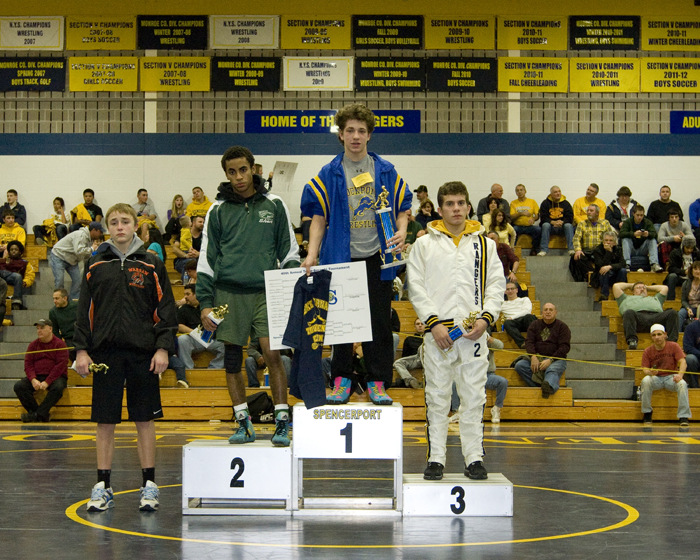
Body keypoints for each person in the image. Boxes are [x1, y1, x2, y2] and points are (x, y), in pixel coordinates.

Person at [301, 103, 411, 406]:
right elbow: (318, 218)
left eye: (361, 131)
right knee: (341, 323)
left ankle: (377, 382)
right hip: (341, 257)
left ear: (369, 135)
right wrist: (311, 254)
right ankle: (342, 380)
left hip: (378, 257)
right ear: (341, 134)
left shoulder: (385, 170)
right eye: (350, 130)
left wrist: (402, 230)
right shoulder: (329, 173)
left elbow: (403, 208)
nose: (355, 136)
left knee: (379, 322)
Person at [74, 203, 177, 513]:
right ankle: (102, 486)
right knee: (105, 421)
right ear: (107, 227)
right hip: (105, 354)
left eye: (125, 221)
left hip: (143, 353)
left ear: (135, 225)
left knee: (144, 419)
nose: (120, 226)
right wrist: (81, 350)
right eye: (114, 222)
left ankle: (149, 485)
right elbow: (84, 311)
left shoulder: (151, 264)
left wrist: (162, 347)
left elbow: (165, 309)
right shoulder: (95, 264)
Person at [198, 145, 299, 446]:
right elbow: (206, 260)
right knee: (232, 360)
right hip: (228, 294)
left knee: (272, 354)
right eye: (232, 172)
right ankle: (243, 423)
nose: (239, 177)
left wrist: (288, 286)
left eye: (243, 170)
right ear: (226, 174)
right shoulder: (216, 210)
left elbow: (290, 252)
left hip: (266, 291)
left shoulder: (275, 205)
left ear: (253, 169)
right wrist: (205, 304)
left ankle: (281, 422)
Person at [408, 180, 505, 482]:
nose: (456, 209)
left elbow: (496, 285)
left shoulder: (485, 245)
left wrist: (486, 319)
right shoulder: (424, 245)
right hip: (437, 335)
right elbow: (415, 286)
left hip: (473, 334)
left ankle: (474, 457)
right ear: (439, 209)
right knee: (437, 398)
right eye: (449, 204)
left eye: (461, 203)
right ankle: (436, 458)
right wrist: (433, 323)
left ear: (468, 206)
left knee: (473, 398)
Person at [13, 319, 68, 422]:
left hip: (56, 377)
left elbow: (60, 366)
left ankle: (36, 415)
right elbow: (28, 365)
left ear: (50, 329)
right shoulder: (33, 345)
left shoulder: (60, 344)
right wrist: (33, 379)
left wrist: (47, 381)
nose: (39, 331)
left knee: (58, 387)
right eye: (37, 328)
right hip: (37, 376)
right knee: (19, 386)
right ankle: (41, 414)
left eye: (42, 328)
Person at [514, 303, 571, 398]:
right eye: (545, 310)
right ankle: (542, 388)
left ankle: (549, 386)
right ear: (542, 312)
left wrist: (550, 360)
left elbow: (565, 347)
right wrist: (533, 356)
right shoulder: (534, 324)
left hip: (556, 360)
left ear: (556, 312)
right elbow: (529, 342)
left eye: (551, 310)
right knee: (520, 366)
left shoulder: (563, 327)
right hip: (537, 357)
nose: (548, 312)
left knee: (551, 369)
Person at [451, 334, 508, 424]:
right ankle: (457, 412)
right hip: (470, 375)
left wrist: (488, 338)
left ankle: (496, 408)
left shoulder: (486, 341)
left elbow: (500, 346)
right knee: (455, 383)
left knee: (503, 382)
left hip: (487, 374)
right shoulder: (465, 343)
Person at [640, 324, 690, 427]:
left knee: (682, 384)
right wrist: (650, 372)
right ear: (651, 337)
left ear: (665, 335)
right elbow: (645, 369)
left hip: (671, 378)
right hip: (656, 378)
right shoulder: (648, 351)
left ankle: (683, 416)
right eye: (654, 335)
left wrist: (680, 375)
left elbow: (683, 362)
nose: (657, 337)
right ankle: (647, 412)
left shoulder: (674, 346)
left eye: (659, 334)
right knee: (645, 381)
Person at [176, 284, 225, 386]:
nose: (185, 297)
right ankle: (188, 369)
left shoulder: (209, 307)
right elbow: (179, 326)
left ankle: (214, 368)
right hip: (195, 340)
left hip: (212, 340)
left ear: (196, 294)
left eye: (188, 294)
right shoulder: (183, 309)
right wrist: (194, 332)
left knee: (227, 343)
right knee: (182, 339)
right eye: (184, 294)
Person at [613, 281, 678, 349]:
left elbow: (664, 288)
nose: (642, 289)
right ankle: (632, 341)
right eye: (639, 288)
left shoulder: (656, 298)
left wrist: (647, 287)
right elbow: (616, 286)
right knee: (628, 312)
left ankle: (671, 343)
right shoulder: (625, 298)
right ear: (633, 291)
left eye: (644, 288)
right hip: (637, 319)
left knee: (672, 313)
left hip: (656, 318)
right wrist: (631, 285)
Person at [49, 222, 103, 301]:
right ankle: (59, 302)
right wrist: (91, 249)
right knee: (59, 280)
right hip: (59, 255)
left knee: (78, 281)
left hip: (72, 260)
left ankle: (73, 302)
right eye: (100, 231)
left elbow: (86, 256)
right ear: (94, 230)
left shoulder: (90, 240)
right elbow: (79, 251)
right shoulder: (81, 235)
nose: (101, 234)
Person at [570, 204, 613, 282]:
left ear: (597, 213)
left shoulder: (605, 223)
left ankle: (594, 276)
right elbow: (576, 238)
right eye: (588, 211)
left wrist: (608, 246)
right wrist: (578, 250)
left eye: (591, 211)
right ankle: (593, 274)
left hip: (601, 251)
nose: (588, 212)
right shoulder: (582, 224)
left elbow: (611, 236)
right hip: (587, 251)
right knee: (577, 257)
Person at [620, 205, 662, 273]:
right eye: (637, 215)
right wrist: (633, 234)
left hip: (643, 248)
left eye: (641, 215)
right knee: (625, 239)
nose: (639, 217)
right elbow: (621, 234)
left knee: (652, 240)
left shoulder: (647, 222)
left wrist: (648, 234)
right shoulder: (628, 222)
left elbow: (655, 234)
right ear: (633, 214)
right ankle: (627, 264)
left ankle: (654, 264)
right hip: (631, 248)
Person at [590, 231, 627, 301]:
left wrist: (610, 266)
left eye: (610, 240)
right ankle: (604, 295)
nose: (608, 242)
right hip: (601, 276)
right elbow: (600, 265)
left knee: (623, 271)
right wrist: (608, 252)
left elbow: (623, 263)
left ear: (614, 242)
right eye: (606, 240)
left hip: (615, 274)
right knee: (604, 270)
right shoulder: (598, 250)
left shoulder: (618, 249)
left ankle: (619, 295)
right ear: (603, 242)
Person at [538, 185, 575, 256]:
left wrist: (562, 222)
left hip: (562, 227)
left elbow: (570, 217)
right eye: (555, 192)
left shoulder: (566, 203)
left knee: (569, 225)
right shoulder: (545, 203)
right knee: (545, 225)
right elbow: (543, 217)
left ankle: (571, 249)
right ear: (551, 194)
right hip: (551, 227)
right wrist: (552, 222)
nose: (558, 193)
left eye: (559, 191)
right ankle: (543, 250)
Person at [0, 240, 35, 309]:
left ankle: (16, 302)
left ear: (20, 252)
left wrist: (25, 282)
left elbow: (30, 276)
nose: (13, 251)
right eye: (11, 250)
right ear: (9, 251)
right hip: (1, 278)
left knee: (18, 276)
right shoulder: (2, 260)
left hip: (14, 279)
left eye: (16, 250)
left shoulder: (25, 263)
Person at [502, 281, 537, 349]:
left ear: (516, 290)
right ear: (505, 292)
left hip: (525, 321)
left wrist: (512, 317)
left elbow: (527, 311)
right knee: (507, 323)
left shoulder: (524, 299)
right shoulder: (502, 304)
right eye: (508, 289)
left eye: (512, 288)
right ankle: (522, 343)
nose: (510, 291)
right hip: (513, 324)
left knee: (529, 317)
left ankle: (534, 341)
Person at [392, 318, 425, 389]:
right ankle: (410, 380)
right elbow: (405, 355)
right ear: (414, 327)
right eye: (417, 324)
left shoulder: (430, 339)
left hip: (427, 359)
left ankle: (427, 382)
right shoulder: (409, 339)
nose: (420, 325)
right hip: (415, 359)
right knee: (398, 363)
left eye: (422, 324)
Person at [509, 183, 541, 255]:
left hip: (529, 226)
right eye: (517, 190)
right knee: (512, 231)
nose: (519, 192)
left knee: (538, 230)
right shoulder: (513, 203)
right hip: (518, 226)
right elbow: (511, 217)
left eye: (521, 190)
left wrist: (533, 219)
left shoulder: (532, 201)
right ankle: (512, 251)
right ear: (516, 193)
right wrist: (521, 213)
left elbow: (537, 215)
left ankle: (534, 250)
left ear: (525, 191)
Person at [665, 236, 700, 301]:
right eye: (687, 248)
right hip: (680, 277)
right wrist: (684, 272)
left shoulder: (697, 254)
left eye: (691, 248)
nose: (689, 250)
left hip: (693, 278)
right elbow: (671, 268)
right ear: (683, 246)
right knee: (672, 276)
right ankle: (670, 300)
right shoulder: (675, 253)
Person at [49, 288, 78, 360]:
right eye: (53, 299)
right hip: (68, 339)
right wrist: (61, 344)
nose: (54, 301)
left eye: (57, 298)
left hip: (80, 335)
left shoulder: (76, 306)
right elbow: (55, 331)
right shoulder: (53, 312)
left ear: (65, 298)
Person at [172, 216, 203, 283]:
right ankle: (186, 284)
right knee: (189, 263)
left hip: (198, 260)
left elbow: (209, 250)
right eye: (200, 222)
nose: (202, 224)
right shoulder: (184, 232)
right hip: (183, 260)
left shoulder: (204, 236)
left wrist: (198, 254)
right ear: (193, 223)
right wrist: (185, 255)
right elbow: (174, 248)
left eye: (203, 222)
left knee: (194, 263)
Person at [679, 261, 700, 333]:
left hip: (699, 307)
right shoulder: (686, 283)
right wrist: (688, 308)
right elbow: (683, 300)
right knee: (681, 313)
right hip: (689, 306)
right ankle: (678, 334)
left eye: (699, 269)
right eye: (695, 269)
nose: (698, 271)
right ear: (691, 271)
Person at [682, 315, 700, 388]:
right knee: (690, 358)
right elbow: (687, 347)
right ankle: (694, 387)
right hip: (697, 359)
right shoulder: (691, 327)